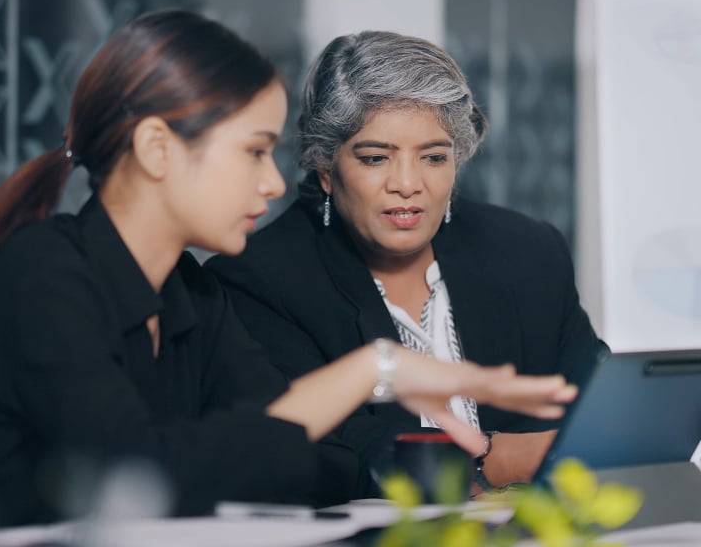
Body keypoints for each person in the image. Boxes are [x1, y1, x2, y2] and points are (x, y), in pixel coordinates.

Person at [0, 12, 577, 530]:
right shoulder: (42, 273)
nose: (274, 184)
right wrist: (371, 371)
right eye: (254, 152)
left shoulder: (192, 293)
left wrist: (274, 440)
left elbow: (313, 460)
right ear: (159, 148)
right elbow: (135, 476)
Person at [206, 30, 602, 497]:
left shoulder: (526, 250)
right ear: (326, 169)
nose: (408, 184)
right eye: (376, 158)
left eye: (434, 157)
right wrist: (495, 460)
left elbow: (596, 401)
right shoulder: (257, 282)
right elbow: (331, 455)